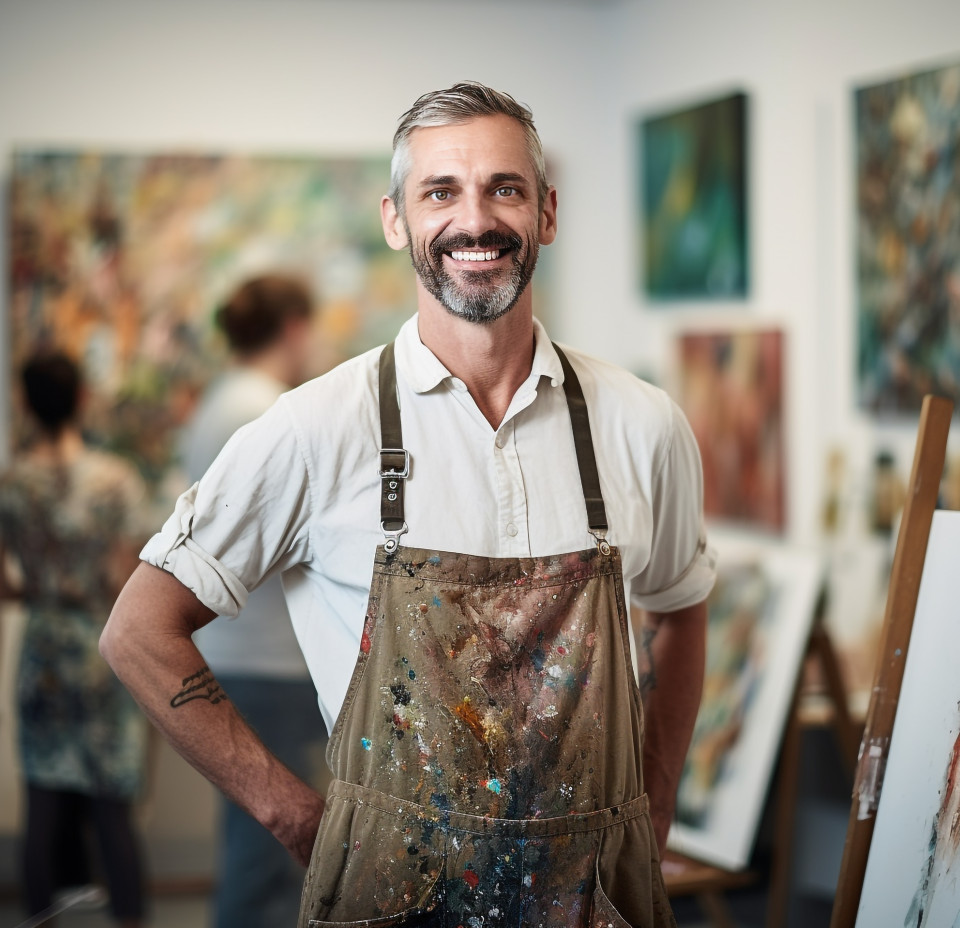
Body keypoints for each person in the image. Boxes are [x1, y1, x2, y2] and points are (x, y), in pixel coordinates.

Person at [102, 82, 716, 927]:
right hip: (386, 902)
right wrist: (292, 811)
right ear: (397, 221)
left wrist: (654, 799)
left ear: (546, 214)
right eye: (441, 192)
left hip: (599, 898)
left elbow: (681, 611)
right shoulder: (315, 428)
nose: (476, 221)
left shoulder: (644, 424)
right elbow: (138, 632)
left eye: (505, 188)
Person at [179, 273, 330, 928]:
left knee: (254, 838)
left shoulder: (220, 402)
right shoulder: (264, 408)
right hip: (270, 657)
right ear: (294, 328)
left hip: (240, 649)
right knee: (267, 844)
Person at [0, 351, 148, 927]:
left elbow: (6, 586)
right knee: (113, 805)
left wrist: (42, 584)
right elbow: (121, 578)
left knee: (42, 802)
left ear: (26, 404)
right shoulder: (116, 481)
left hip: (43, 648)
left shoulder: (12, 484)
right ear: (82, 397)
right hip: (101, 641)